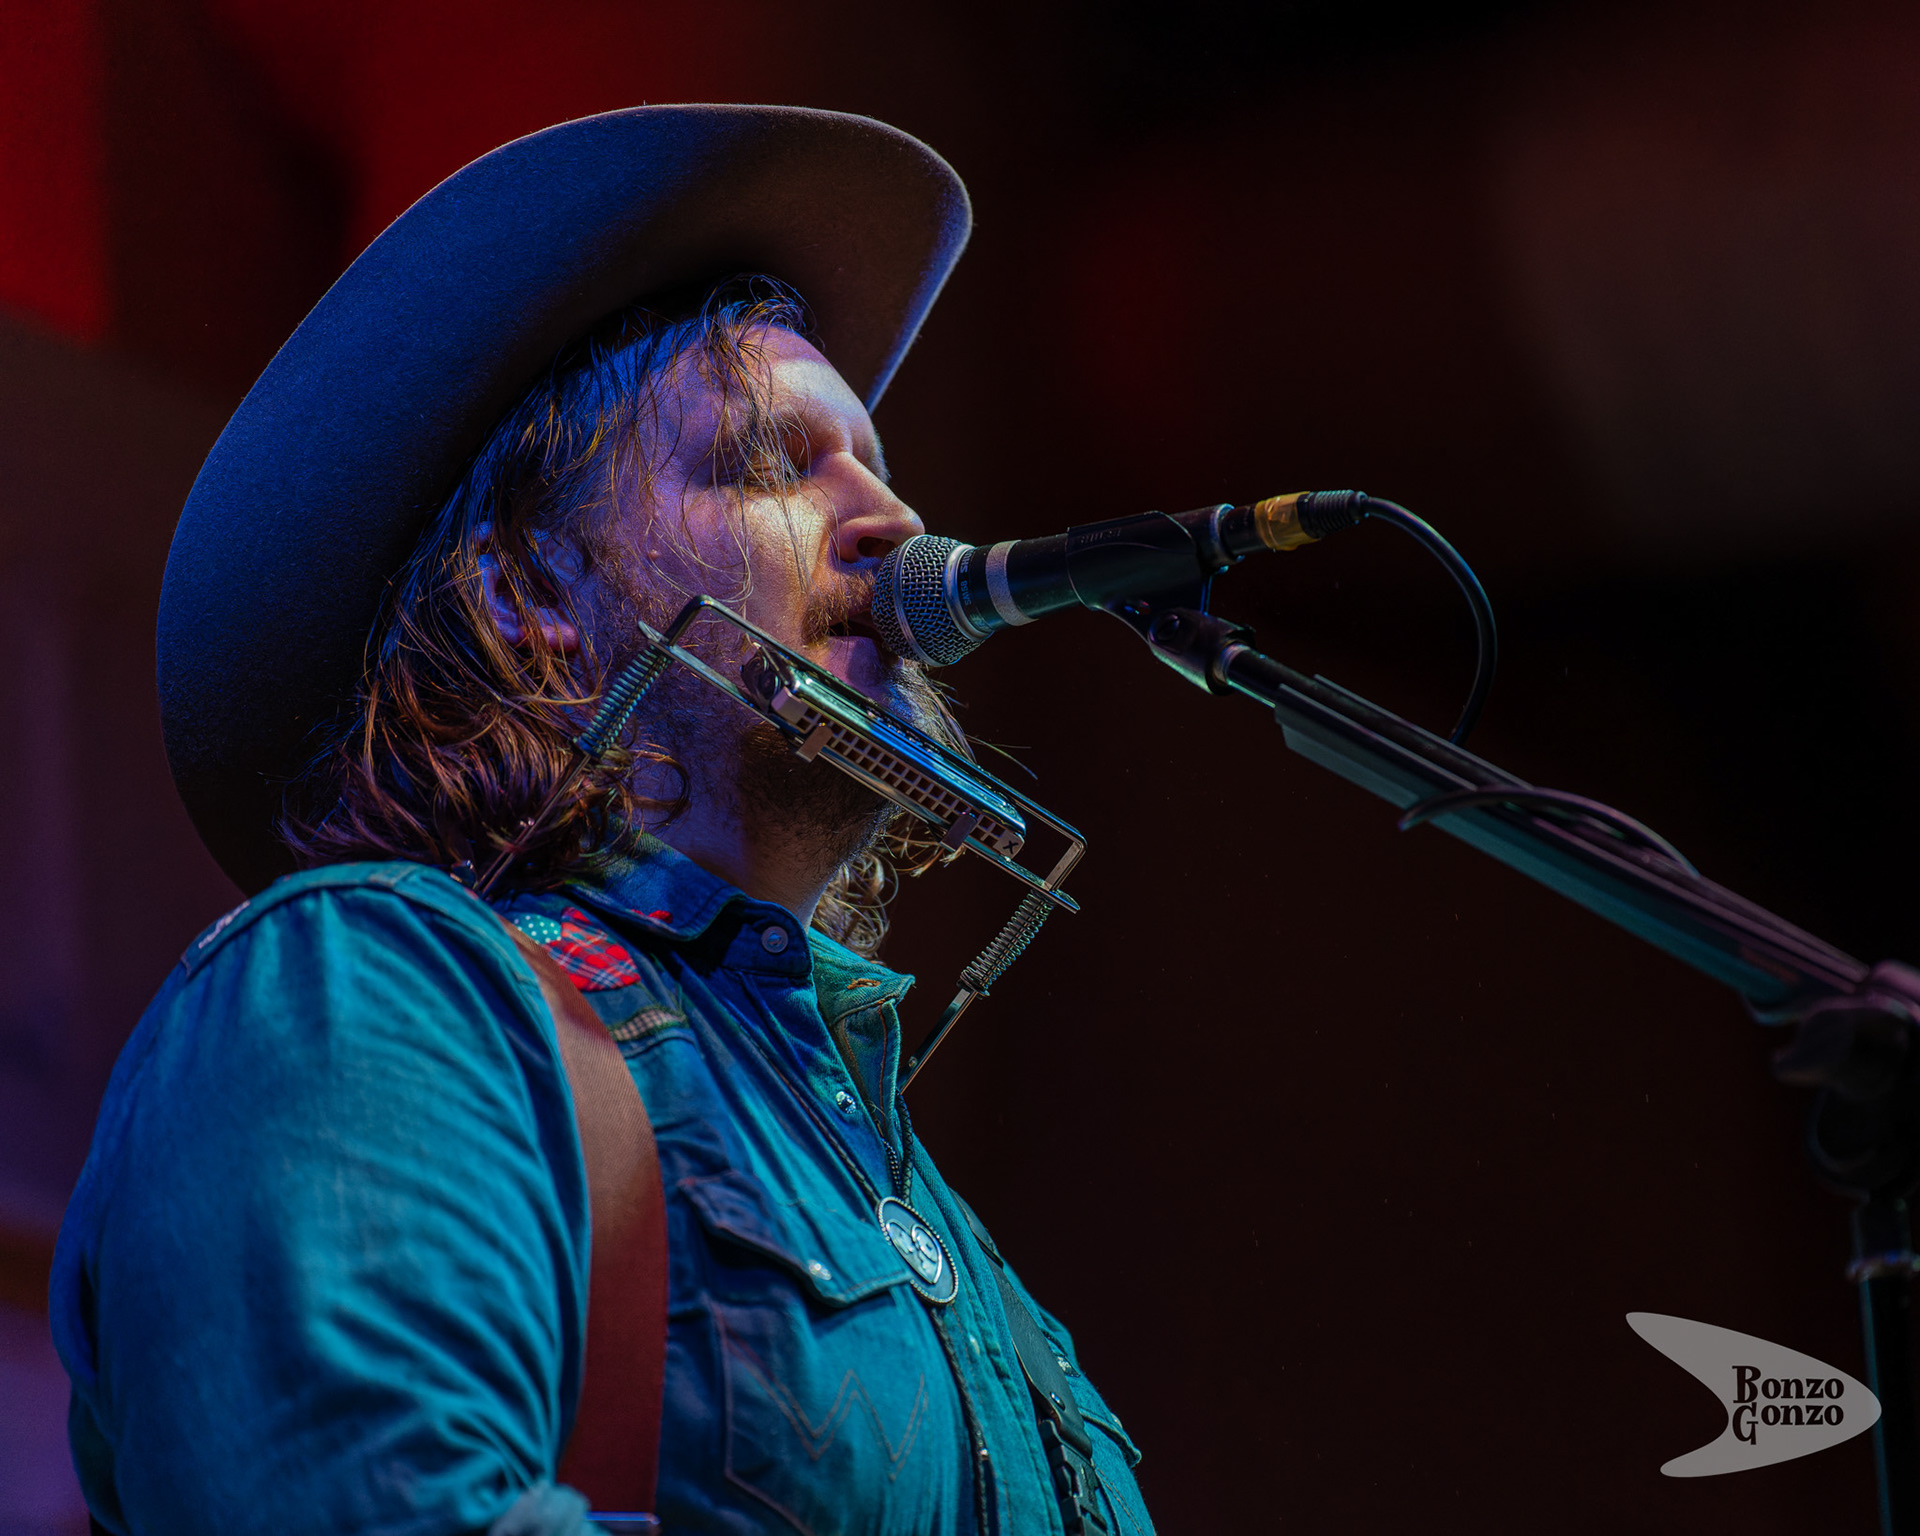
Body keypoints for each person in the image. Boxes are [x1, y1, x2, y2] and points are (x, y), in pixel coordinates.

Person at [49, 105, 1154, 1536]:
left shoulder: (918, 1199)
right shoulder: (372, 993)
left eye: (879, 464)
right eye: (771, 463)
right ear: (528, 594)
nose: (893, 522)